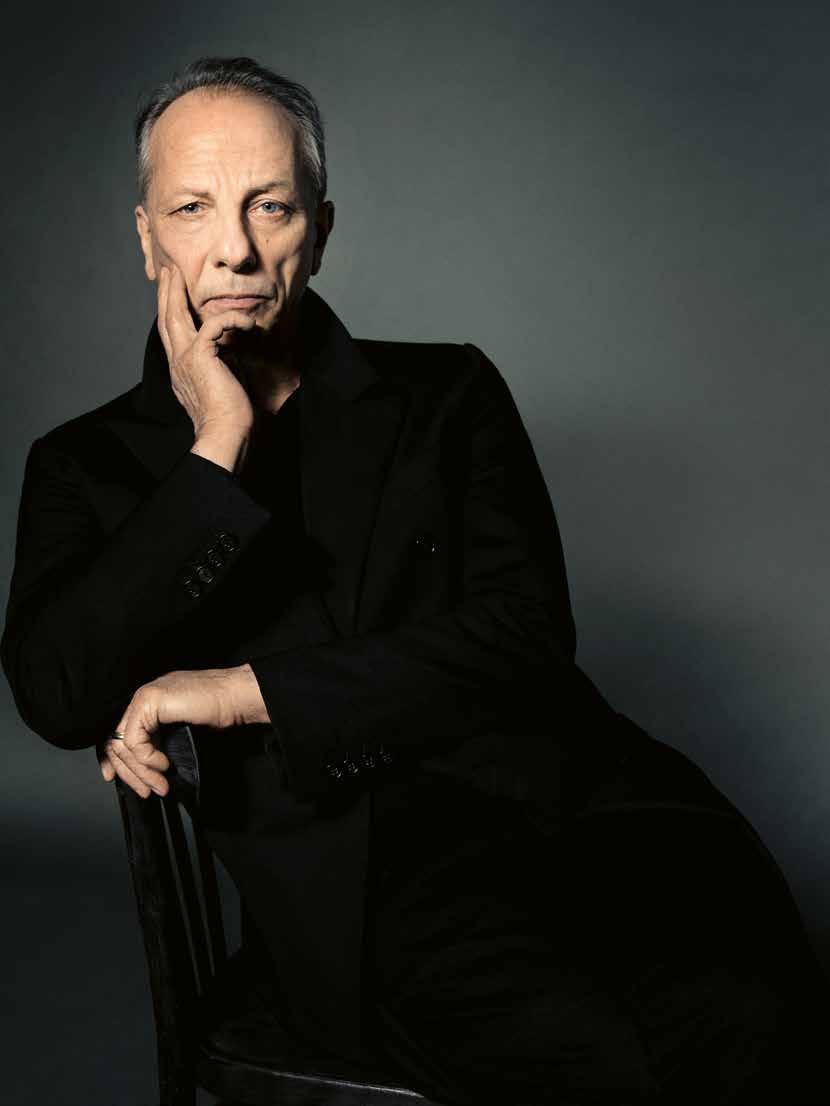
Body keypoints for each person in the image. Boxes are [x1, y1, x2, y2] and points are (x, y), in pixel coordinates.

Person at [1, 55, 826, 1105]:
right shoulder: (85, 465)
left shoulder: (448, 393)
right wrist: (215, 450)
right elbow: (58, 692)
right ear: (146, 235)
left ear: (320, 229)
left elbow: (526, 636)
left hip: (591, 812)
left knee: (757, 1012)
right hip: (361, 894)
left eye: (270, 207)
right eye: (193, 208)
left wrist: (241, 690)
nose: (236, 249)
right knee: (594, 1062)